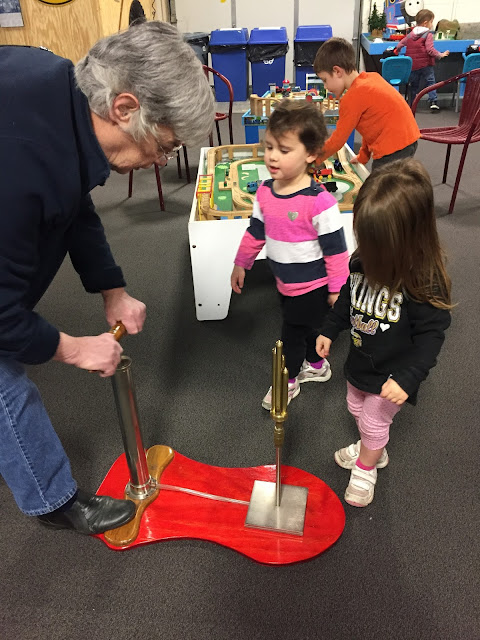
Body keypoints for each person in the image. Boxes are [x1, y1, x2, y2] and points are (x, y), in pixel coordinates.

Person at [0, 22, 214, 535]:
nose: (161, 160)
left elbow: (73, 205)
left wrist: (112, 291)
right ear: (124, 107)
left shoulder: (65, 96)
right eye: (164, 146)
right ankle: (53, 502)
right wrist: (73, 348)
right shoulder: (21, 163)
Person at [316, 159, 452, 507]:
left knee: (373, 419)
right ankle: (372, 448)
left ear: (406, 239)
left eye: (374, 243)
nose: (364, 251)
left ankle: (366, 467)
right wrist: (330, 328)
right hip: (361, 361)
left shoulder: (422, 281)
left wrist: (408, 378)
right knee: (355, 407)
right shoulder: (364, 259)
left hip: (395, 373)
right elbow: (348, 296)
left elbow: (432, 337)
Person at [231, 101, 349, 410]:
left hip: (313, 286)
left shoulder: (320, 202)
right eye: (269, 147)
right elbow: (256, 231)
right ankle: (317, 365)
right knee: (309, 327)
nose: (272, 156)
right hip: (284, 282)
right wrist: (241, 262)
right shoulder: (265, 192)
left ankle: (289, 380)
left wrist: (337, 289)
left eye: (284, 150)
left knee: (291, 335)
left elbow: (336, 250)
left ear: (310, 154)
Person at [313, 37, 420, 171]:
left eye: (325, 80)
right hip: (408, 139)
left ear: (337, 71)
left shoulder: (352, 97)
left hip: (393, 147)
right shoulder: (371, 78)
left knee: (380, 182)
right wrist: (363, 156)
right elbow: (370, 129)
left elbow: (338, 140)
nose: (326, 87)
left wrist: (314, 159)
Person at [394, 9, 449, 110]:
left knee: (414, 85)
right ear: (425, 23)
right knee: (430, 82)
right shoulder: (428, 34)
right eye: (431, 22)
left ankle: (412, 104)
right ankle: (433, 101)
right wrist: (440, 55)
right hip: (425, 64)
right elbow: (430, 50)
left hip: (413, 65)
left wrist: (397, 50)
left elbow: (401, 43)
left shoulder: (411, 34)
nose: (432, 24)